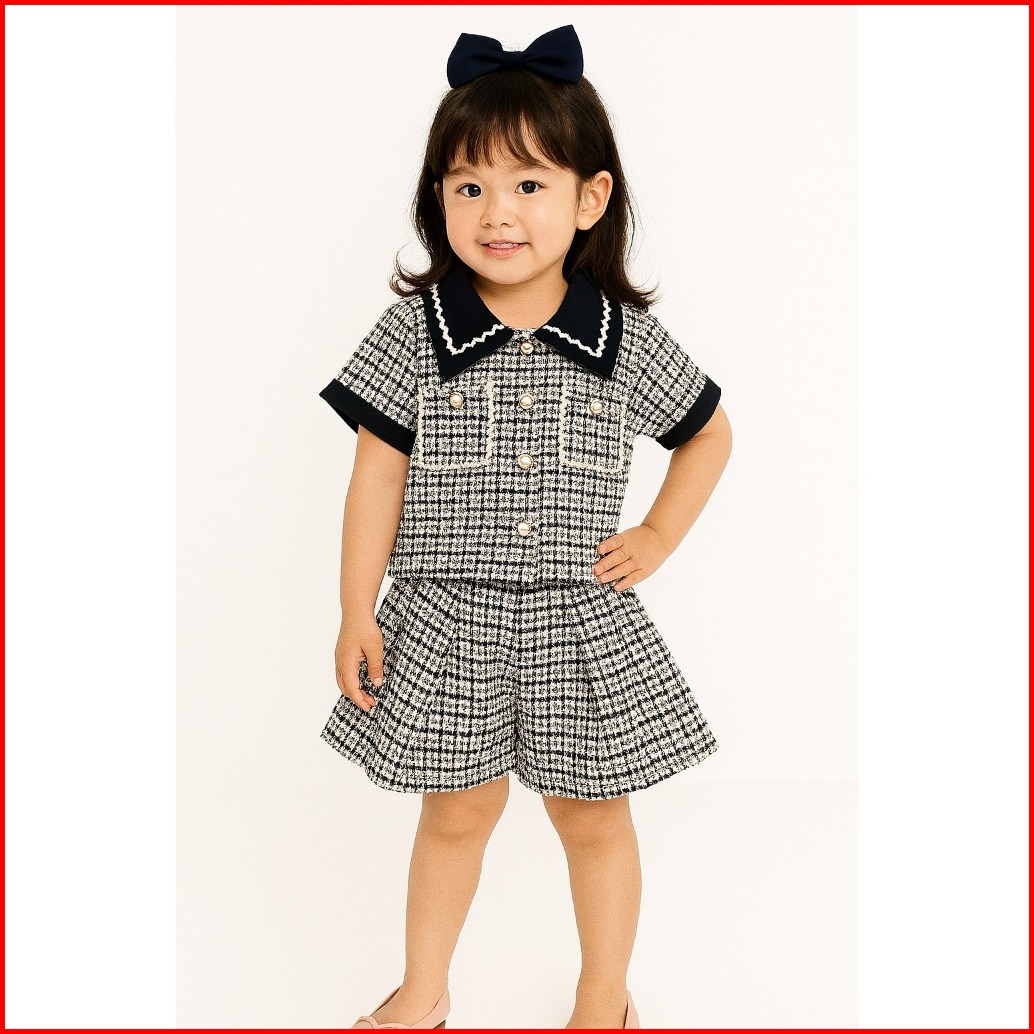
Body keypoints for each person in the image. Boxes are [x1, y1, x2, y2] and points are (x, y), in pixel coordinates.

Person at [317, 24, 733, 1031]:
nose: (496, 211)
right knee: (454, 812)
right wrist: (355, 607)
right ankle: (423, 991)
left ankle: (602, 997)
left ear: (590, 198)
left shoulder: (622, 339)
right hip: (447, 616)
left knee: (592, 818)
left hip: (577, 618)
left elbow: (708, 434)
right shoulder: (415, 334)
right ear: (438, 202)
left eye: (528, 184)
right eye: (468, 186)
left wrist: (657, 534)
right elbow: (375, 474)